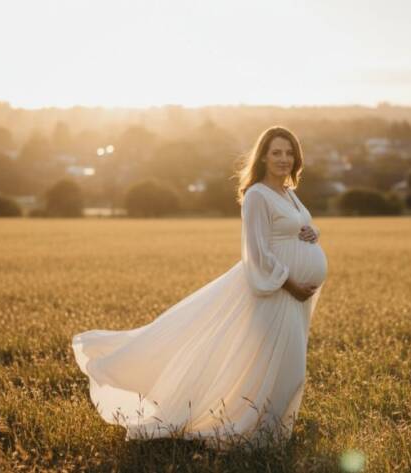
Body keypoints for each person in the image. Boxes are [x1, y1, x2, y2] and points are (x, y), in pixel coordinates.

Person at [71, 125, 328, 450]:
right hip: (277, 292)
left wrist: (313, 233)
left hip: (296, 295)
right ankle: (253, 433)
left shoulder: (288, 192)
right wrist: (291, 285)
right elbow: (257, 253)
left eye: (289, 153)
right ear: (263, 157)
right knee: (280, 367)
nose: (283, 159)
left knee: (288, 366)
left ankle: (272, 432)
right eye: (276, 152)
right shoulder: (257, 195)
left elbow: (297, 225)